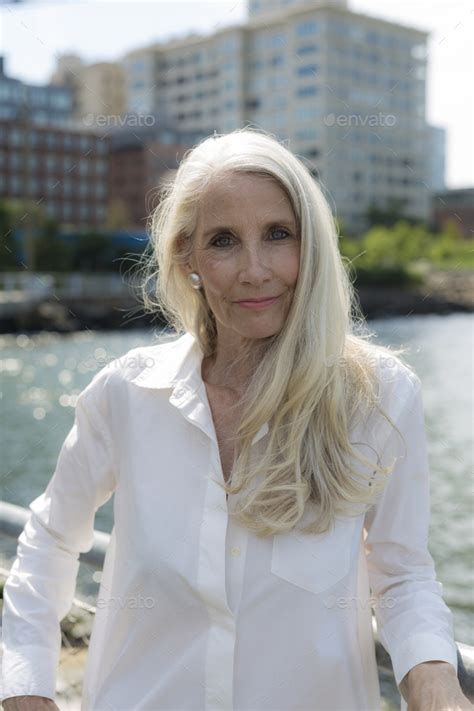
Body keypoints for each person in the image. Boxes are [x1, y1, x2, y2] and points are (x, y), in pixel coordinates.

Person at [1, 127, 470, 711]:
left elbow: (401, 575)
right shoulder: (125, 393)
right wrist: (25, 686)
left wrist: (436, 681)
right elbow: (48, 539)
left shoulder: (378, 396)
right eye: (223, 241)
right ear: (187, 257)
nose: (255, 270)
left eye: (278, 234)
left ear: (312, 245)